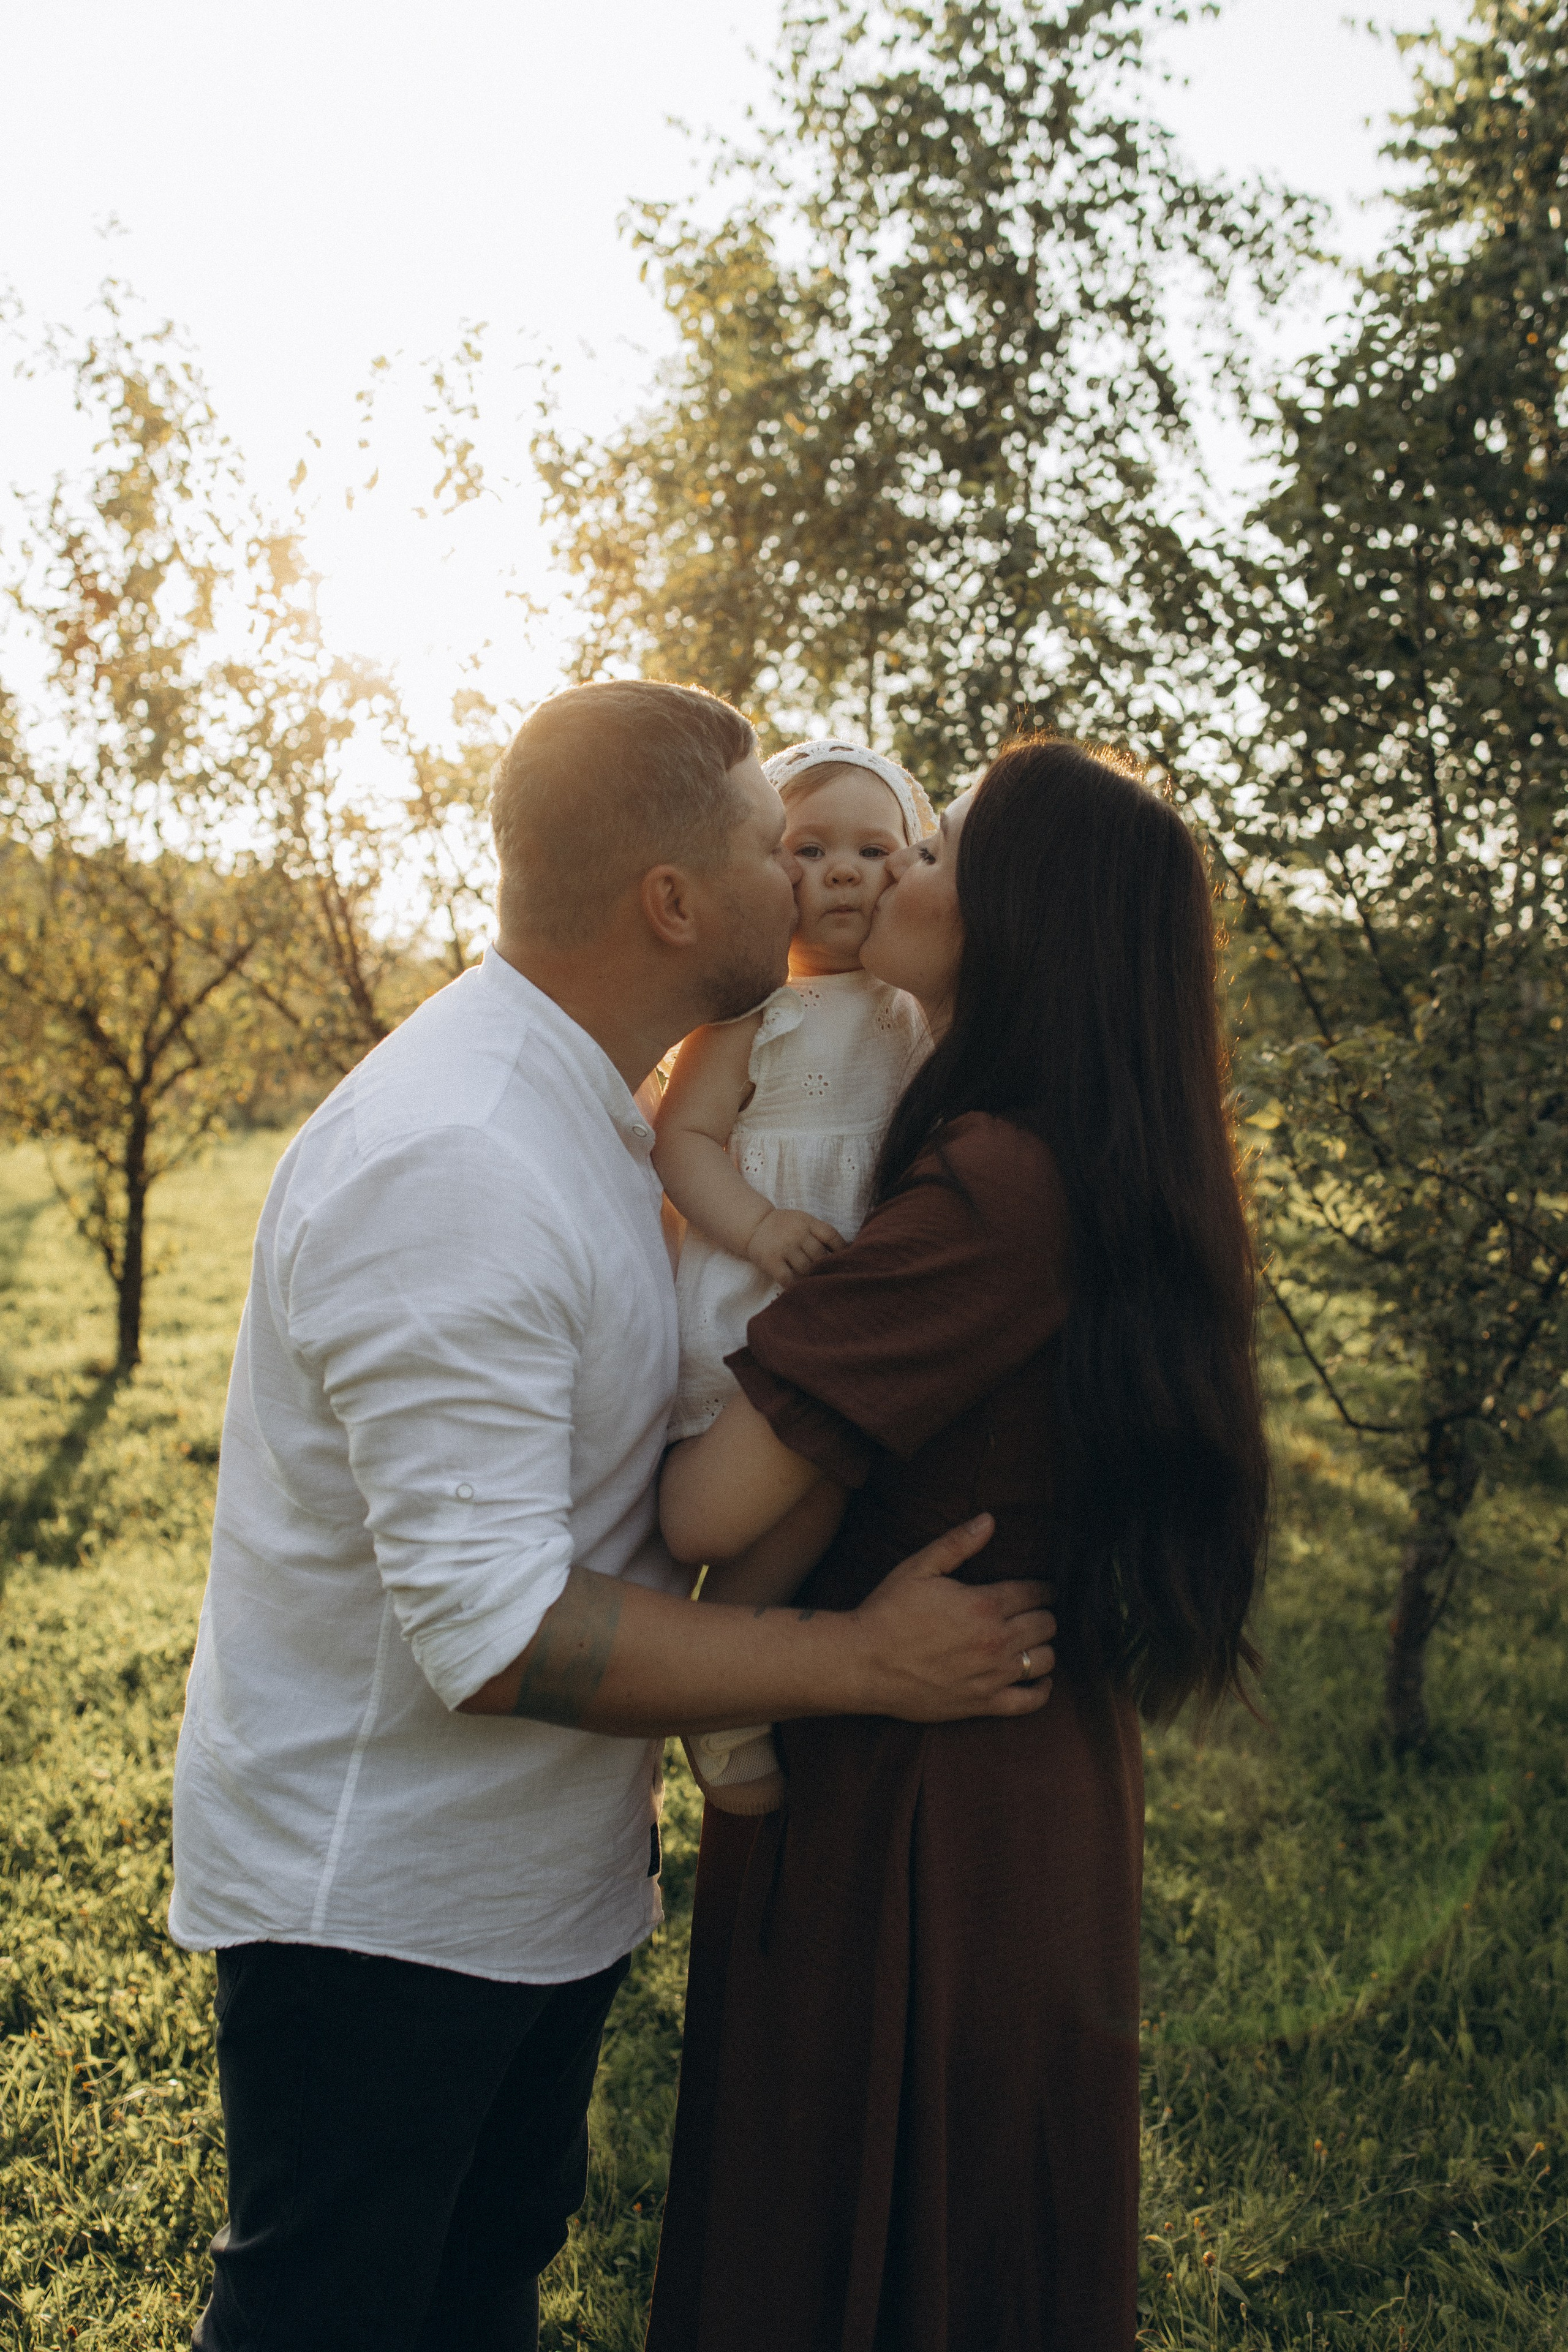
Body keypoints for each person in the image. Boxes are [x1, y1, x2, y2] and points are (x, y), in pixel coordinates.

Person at [167, 681, 1059, 2352]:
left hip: (534, 1884)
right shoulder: (459, 1158)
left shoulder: (597, 1103)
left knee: (479, 2284)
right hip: (384, 1909)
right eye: (761, 837)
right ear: (673, 902)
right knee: (340, 2311)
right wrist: (859, 1664)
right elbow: (497, 1635)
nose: (802, 872)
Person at [644, 737, 1271, 2352]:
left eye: (934, 856)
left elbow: (709, 1511)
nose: (890, 876)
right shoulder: (1066, 1144)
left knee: (867, 2242)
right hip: (987, 1749)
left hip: (917, 1787)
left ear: (1017, 922)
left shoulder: (995, 1184)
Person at [653, 738, 935, 1811]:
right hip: (753, 1294)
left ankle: (729, 1669)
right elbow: (686, 1141)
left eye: (876, 848)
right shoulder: (751, 1007)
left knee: (826, 1496)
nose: (846, 871)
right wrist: (760, 1225)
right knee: (793, 1484)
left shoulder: (909, 1008)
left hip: (852, 1300)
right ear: (765, 873)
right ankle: (719, 1687)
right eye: (810, 849)